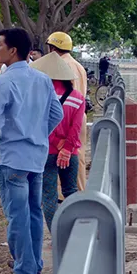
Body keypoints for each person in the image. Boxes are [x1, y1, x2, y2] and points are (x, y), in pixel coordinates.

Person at [0, 28, 63, 274]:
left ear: (12, 50)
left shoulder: (3, 82)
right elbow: (55, 114)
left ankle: (24, 272)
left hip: (13, 157)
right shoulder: (42, 80)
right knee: (33, 211)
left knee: (17, 215)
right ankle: (34, 263)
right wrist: (37, 134)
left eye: (0, 45)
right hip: (36, 155)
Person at [30, 53, 84, 231]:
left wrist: (57, 144)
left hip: (47, 153)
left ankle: (56, 235)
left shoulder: (40, 98)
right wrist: (67, 148)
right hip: (70, 154)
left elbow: (41, 126)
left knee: (49, 195)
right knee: (70, 192)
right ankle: (74, 230)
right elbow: (76, 128)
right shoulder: (78, 97)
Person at [46, 32, 87, 191]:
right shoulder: (77, 65)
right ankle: (78, 191)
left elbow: (67, 98)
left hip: (64, 117)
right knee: (77, 156)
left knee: (63, 154)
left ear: (53, 48)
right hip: (78, 116)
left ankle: (66, 194)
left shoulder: (62, 66)